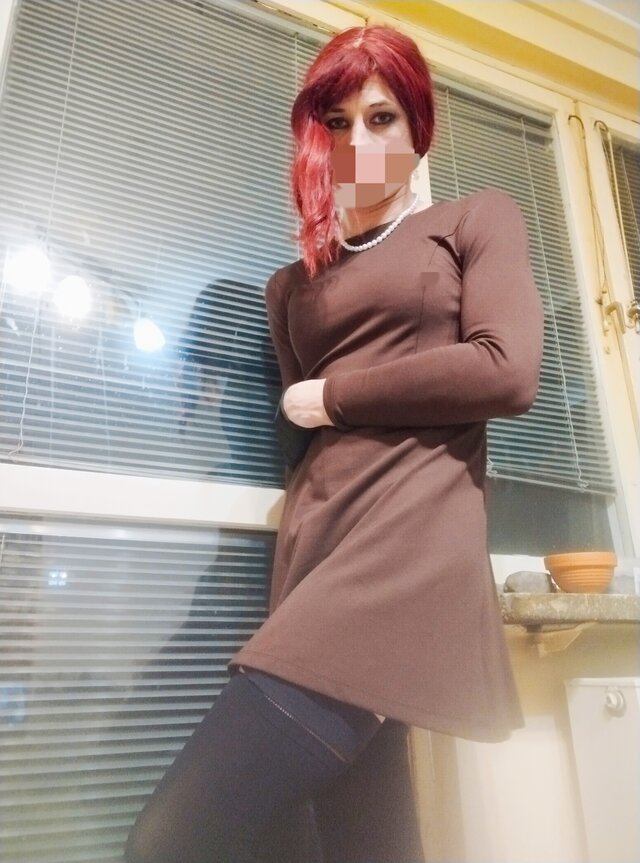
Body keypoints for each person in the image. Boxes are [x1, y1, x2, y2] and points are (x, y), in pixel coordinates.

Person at [125, 22, 544, 863]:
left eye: (383, 117)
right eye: (339, 122)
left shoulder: (474, 220)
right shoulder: (290, 287)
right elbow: (302, 450)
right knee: (364, 846)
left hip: (404, 554)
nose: (362, 141)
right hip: (315, 559)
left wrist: (334, 394)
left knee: (168, 841)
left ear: (420, 127)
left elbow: (507, 370)